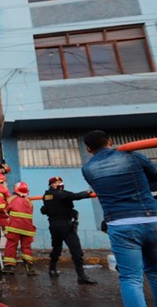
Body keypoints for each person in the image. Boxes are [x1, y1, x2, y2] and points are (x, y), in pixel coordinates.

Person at [82, 130, 157, 306]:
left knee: (131, 278)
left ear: (88, 149)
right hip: (151, 218)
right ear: (111, 141)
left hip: (120, 224)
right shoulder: (132, 156)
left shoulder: (88, 168)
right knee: (155, 272)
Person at [40, 176, 97, 285]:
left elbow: (44, 210)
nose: (60, 183)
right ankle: (81, 276)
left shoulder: (46, 196)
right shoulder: (60, 194)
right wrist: (87, 192)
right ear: (51, 184)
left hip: (53, 225)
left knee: (56, 248)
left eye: (60, 182)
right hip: (65, 225)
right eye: (57, 182)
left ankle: (52, 269)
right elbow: (75, 196)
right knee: (76, 250)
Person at [2, 181, 37, 276]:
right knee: (26, 247)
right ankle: (30, 267)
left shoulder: (11, 199)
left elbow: (5, 211)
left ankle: (9, 267)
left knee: (11, 245)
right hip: (28, 229)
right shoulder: (29, 202)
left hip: (14, 228)